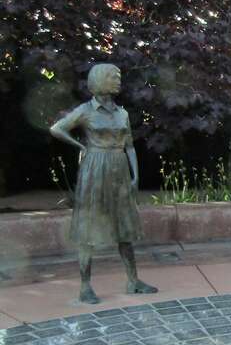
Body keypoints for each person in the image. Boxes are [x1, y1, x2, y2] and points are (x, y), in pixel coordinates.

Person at [50, 63, 157, 303]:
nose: (118, 81)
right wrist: (81, 146)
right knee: (88, 227)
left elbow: (129, 146)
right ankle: (85, 287)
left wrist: (136, 175)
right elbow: (57, 129)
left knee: (125, 226)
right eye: (113, 77)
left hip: (119, 167)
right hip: (95, 170)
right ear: (99, 80)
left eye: (119, 77)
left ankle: (133, 281)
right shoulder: (85, 110)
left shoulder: (122, 113)